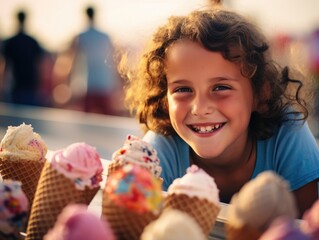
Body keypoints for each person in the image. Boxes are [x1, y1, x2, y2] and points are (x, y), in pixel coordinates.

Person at [122, 9, 319, 217]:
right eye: (182, 90)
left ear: (260, 94)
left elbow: (305, 228)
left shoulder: (287, 133)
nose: (200, 108)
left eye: (221, 88)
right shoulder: (158, 152)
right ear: (165, 100)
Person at [69, 6, 120, 115]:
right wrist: (117, 82)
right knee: (106, 117)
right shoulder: (105, 36)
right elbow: (114, 59)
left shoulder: (81, 36)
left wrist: (68, 82)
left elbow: (73, 60)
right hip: (104, 83)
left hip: (88, 84)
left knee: (87, 118)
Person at [1, 10, 44, 105]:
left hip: (16, 85)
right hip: (28, 85)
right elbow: (39, 65)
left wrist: (3, 86)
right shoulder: (32, 42)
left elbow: (6, 66)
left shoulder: (11, 42)